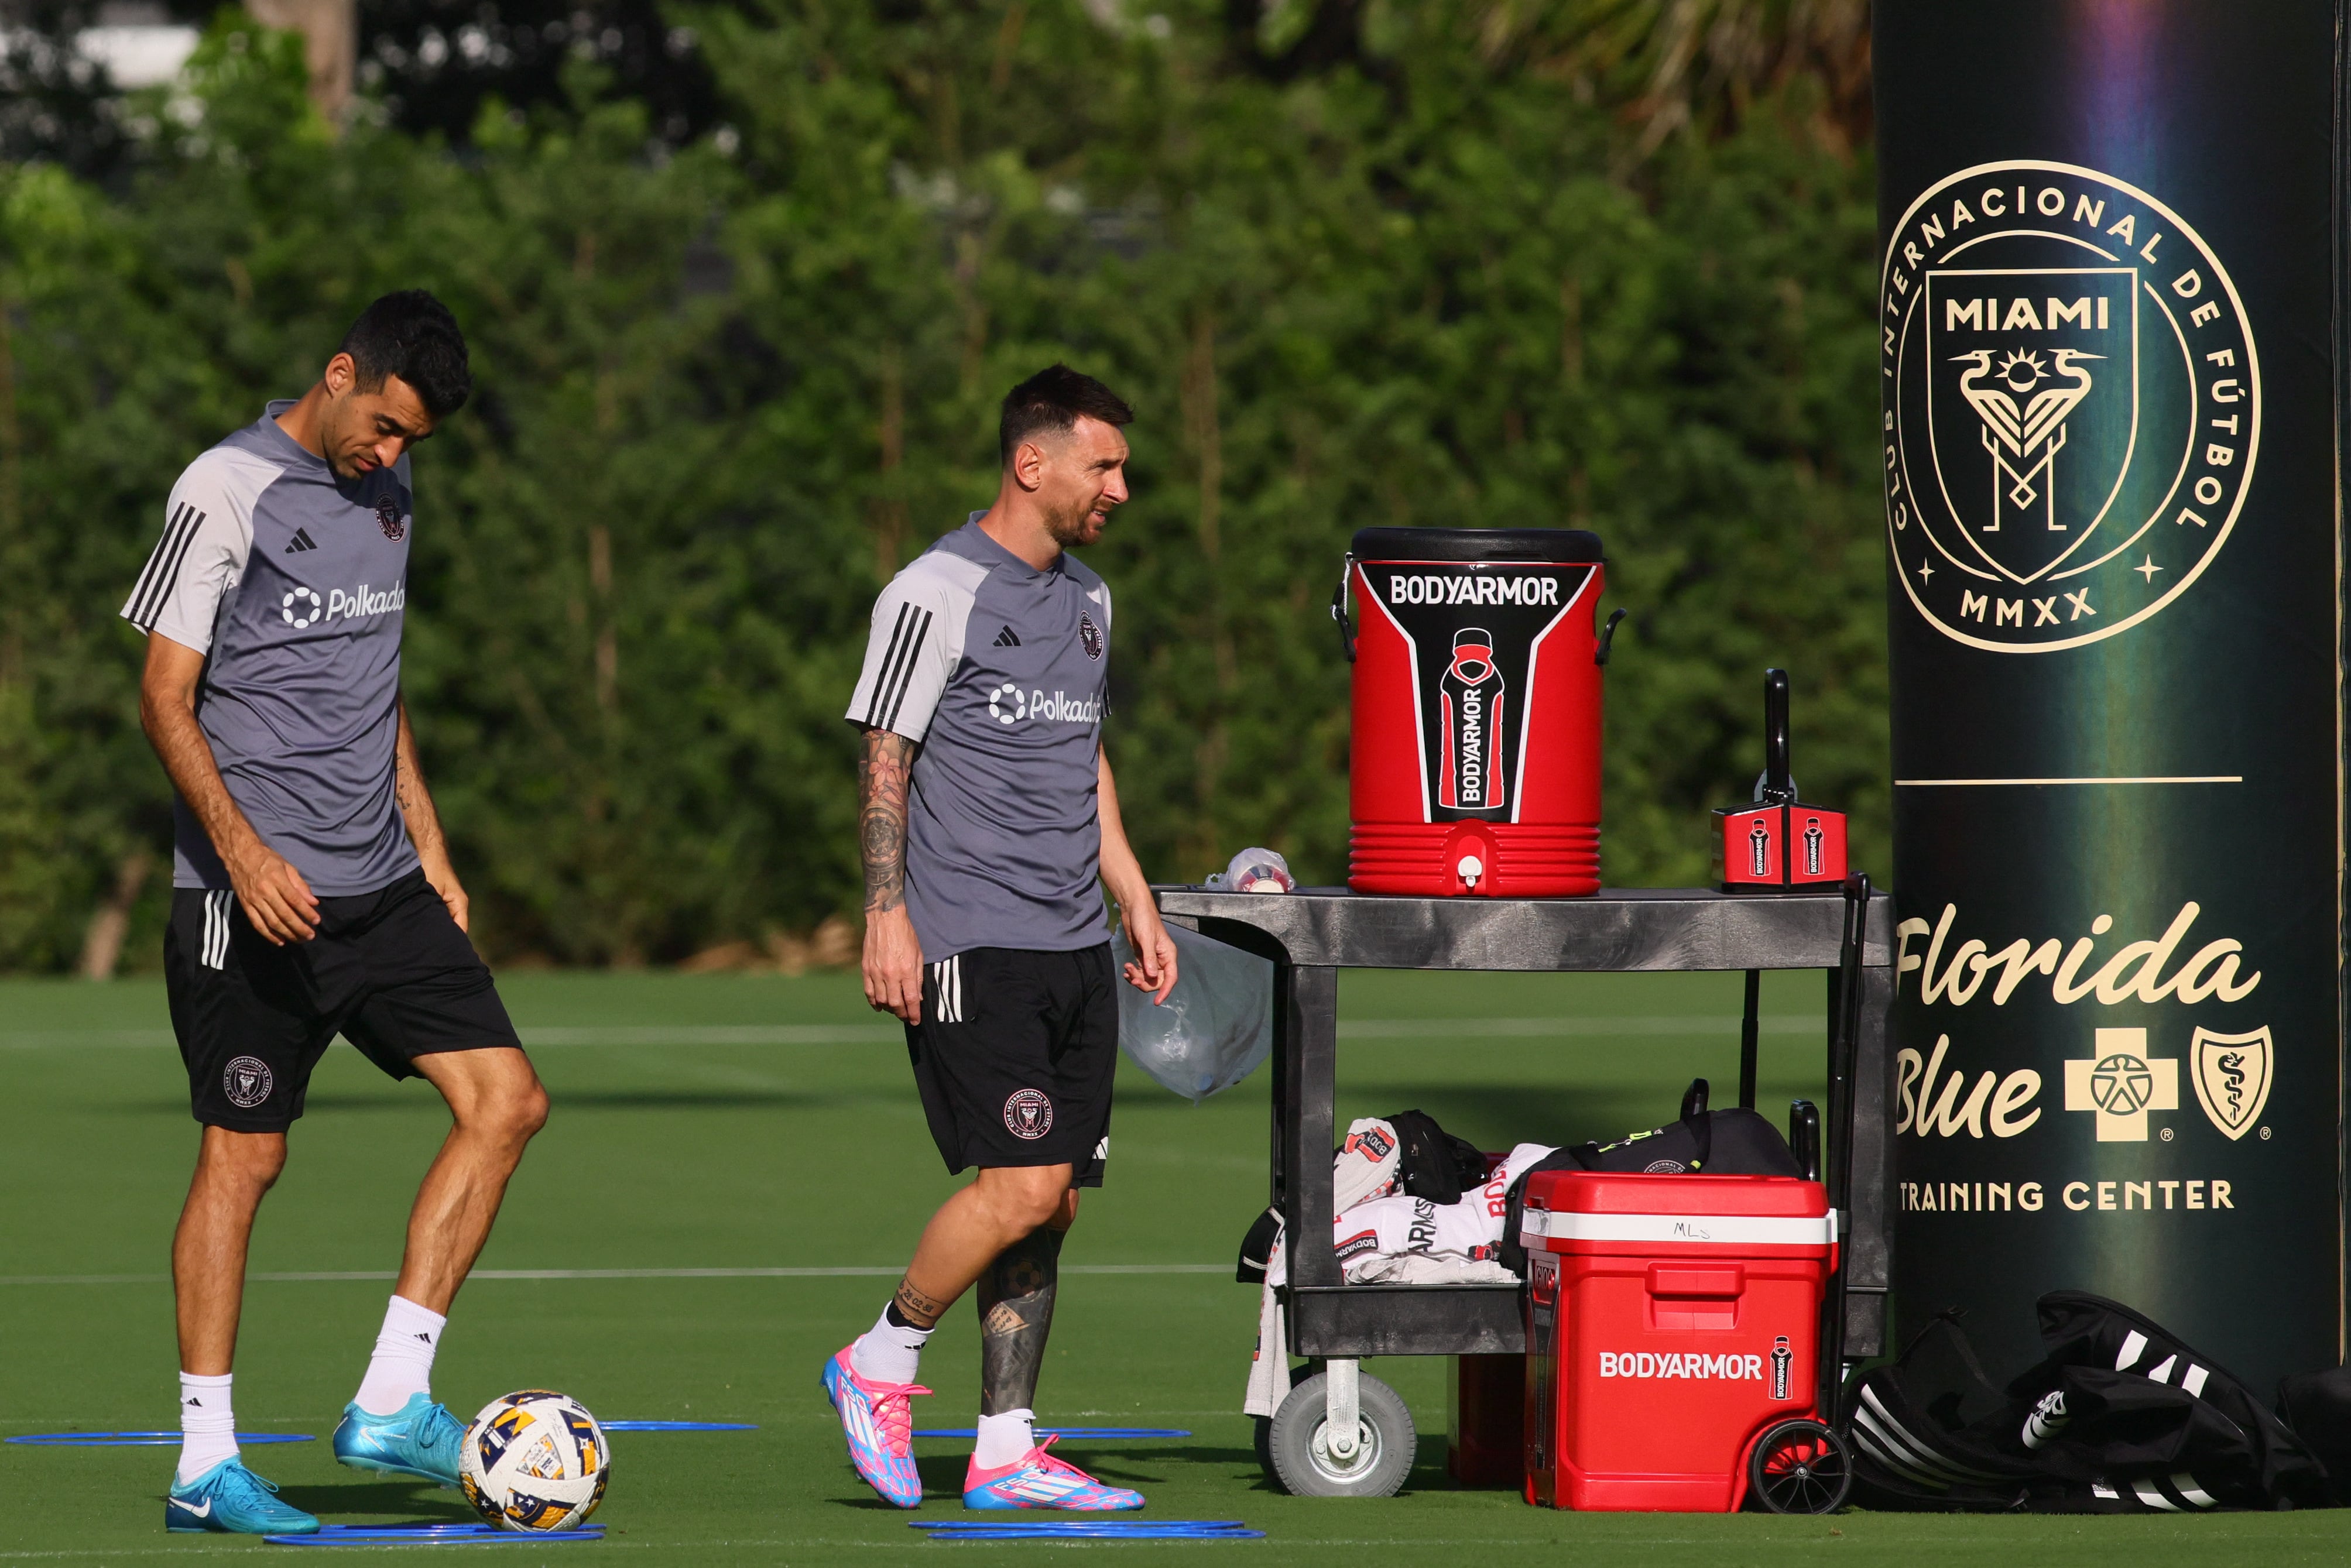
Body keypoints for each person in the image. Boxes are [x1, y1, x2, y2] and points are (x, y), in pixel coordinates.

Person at [124, 291, 549, 1536]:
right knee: (245, 1154)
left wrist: (433, 842)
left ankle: (391, 1400)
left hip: (386, 886)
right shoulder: (223, 488)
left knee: (507, 1100)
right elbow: (163, 694)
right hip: (248, 897)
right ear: (338, 372)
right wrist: (244, 855)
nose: (393, 456)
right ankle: (206, 1461)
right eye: (385, 427)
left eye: (413, 441)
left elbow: (376, 677)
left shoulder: (389, 494)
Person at [823, 365, 1181, 1512]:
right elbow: (886, 752)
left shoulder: (1091, 600)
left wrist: (1131, 888)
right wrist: (886, 911)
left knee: (1056, 1192)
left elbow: (1083, 751)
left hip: (1076, 940)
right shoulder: (931, 590)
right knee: (1022, 1182)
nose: (1120, 488)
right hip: (972, 937)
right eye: (1104, 464)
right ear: (1033, 463)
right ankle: (878, 1357)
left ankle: (1005, 1445)